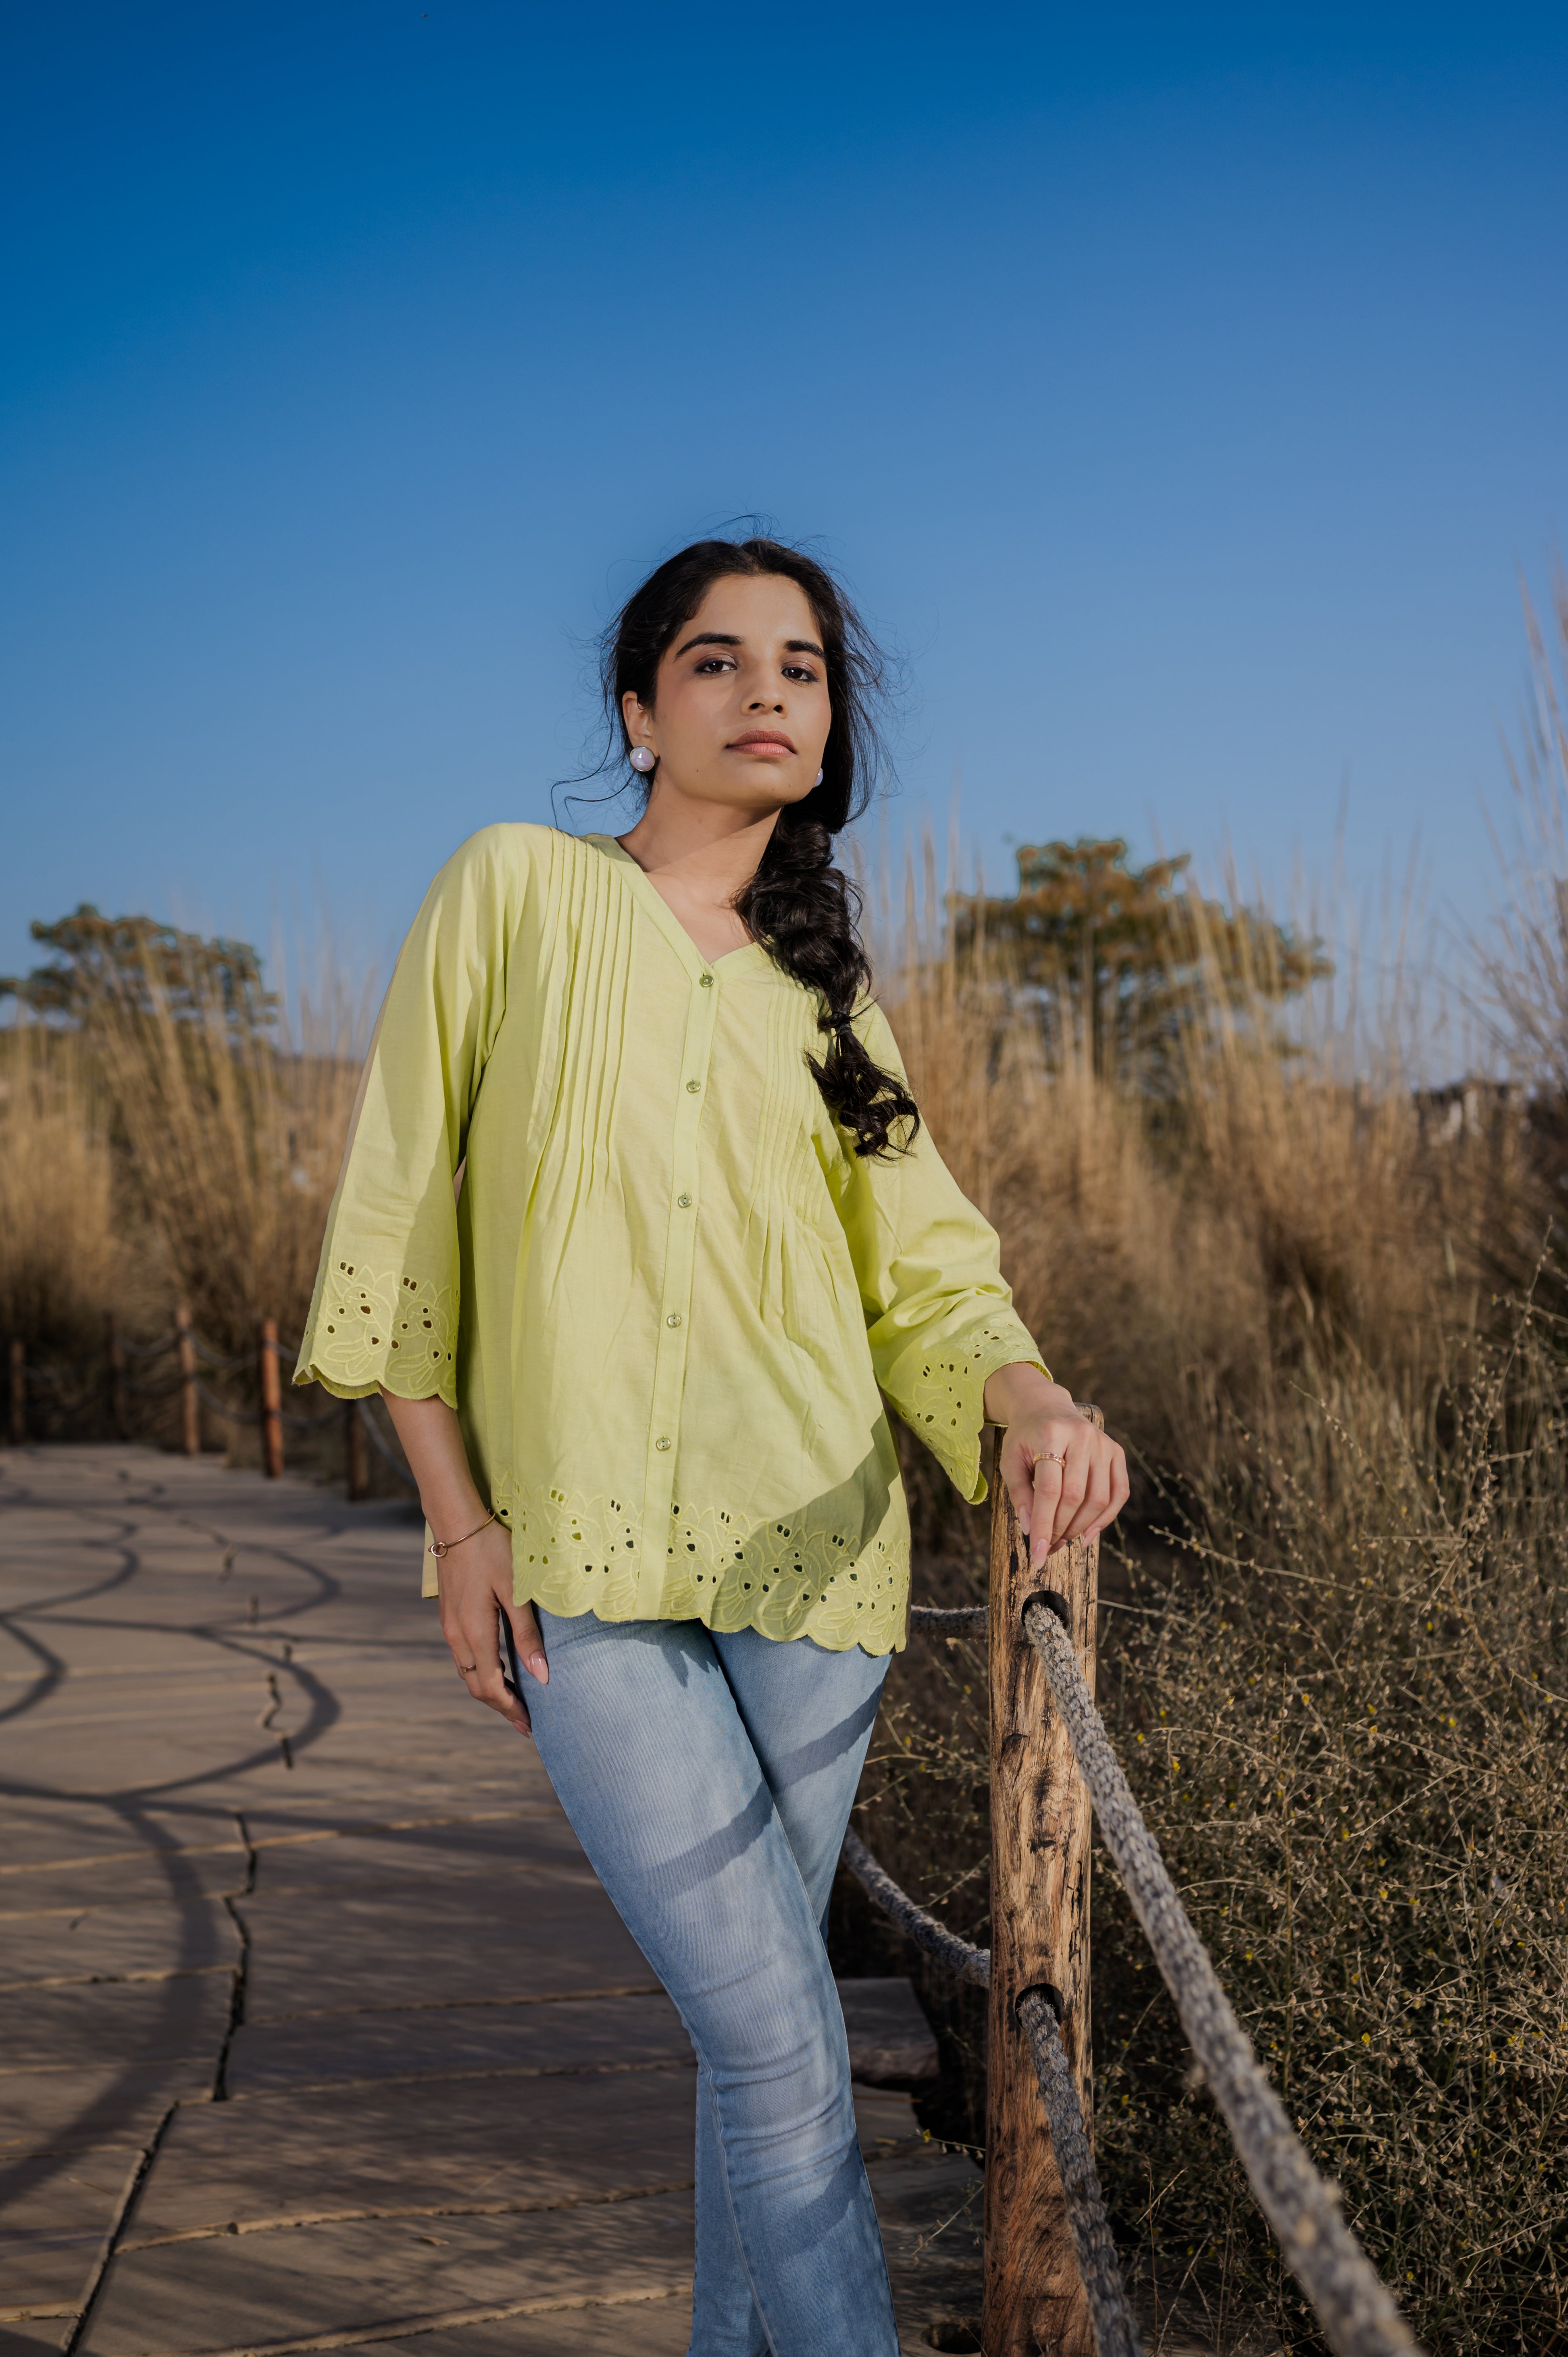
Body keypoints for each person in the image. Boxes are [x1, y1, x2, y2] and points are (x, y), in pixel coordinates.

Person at [295, 534, 1129, 2356]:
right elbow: (398, 1220)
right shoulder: (511, 892)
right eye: (716, 660)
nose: (766, 692)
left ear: (829, 730)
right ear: (636, 707)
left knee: (750, 2048)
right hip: (580, 1560)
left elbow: (928, 1274)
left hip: (815, 1569)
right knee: (775, 2034)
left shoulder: (828, 1002)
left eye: (802, 669)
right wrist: (456, 1518)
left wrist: (1035, 1399)